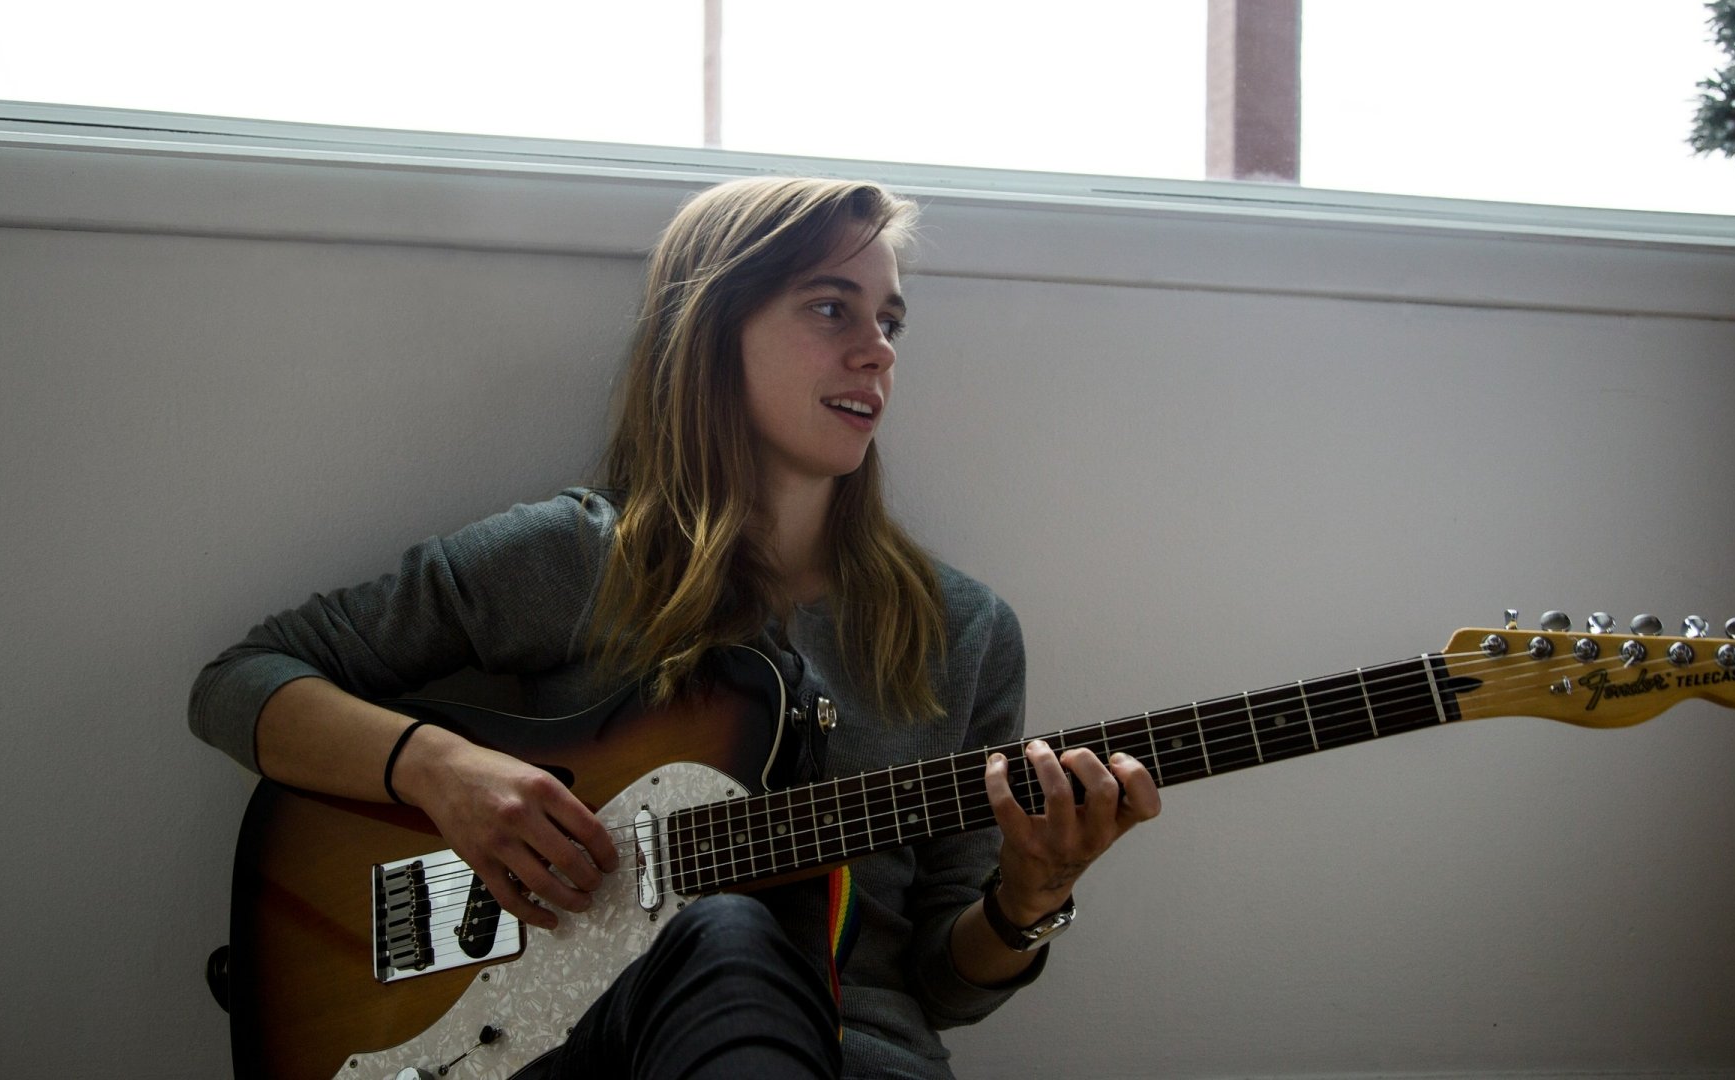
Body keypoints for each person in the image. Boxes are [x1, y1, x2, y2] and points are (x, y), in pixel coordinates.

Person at [190, 176, 1161, 1079]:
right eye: (833, 308)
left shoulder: (963, 629)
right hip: (594, 1041)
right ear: (713, 330)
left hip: (864, 1058)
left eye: (891, 319)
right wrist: (444, 772)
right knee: (728, 932)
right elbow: (239, 682)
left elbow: (942, 987)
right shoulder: (579, 558)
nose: (879, 348)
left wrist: (1030, 899)